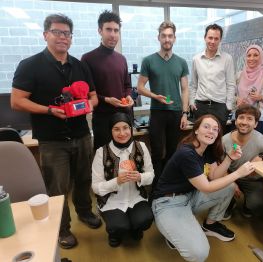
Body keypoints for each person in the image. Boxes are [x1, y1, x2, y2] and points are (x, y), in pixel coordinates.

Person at [11, 14, 101, 249]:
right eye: (57, 32)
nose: (62, 37)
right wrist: (49, 110)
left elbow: (93, 96)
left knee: (84, 179)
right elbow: (17, 101)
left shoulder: (80, 66)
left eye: (67, 33)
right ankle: (61, 229)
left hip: (82, 135)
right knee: (57, 187)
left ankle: (85, 212)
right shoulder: (30, 65)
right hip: (52, 140)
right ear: (46, 35)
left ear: (71, 38)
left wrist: (88, 105)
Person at [152, 114, 255, 262]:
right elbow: (207, 187)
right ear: (196, 130)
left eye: (215, 129)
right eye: (206, 126)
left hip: (190, 196)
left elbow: (213, 176)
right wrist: (238, 173)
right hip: (168, 203)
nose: (211, 131)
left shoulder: (206, 150)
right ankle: (174, 233)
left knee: (229, 187)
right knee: (199, 254)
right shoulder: (186, 153)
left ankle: (209, 225)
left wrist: (229, 158)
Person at [137, 21, 189, 187]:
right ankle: (157, 186)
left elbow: (185, 89)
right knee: (157, 152)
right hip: (157, 112)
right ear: (158, 37)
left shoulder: (181, 62)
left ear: (174, 38)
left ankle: (168, 183)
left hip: (175, 113)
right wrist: (155, 96)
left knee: (173, 152)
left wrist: (185, 113)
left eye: (170, 36)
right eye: (164, 36)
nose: (167, 39)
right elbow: (139, 88)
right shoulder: (149, 61)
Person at [91, 112, 154, 247]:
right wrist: (116, 181)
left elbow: (151, 175)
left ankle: (136, 228)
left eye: (125, 128)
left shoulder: (141, 147)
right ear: (110, 131)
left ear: (131, 128)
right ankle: (115, 234)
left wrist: (140, 177)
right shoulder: (101, 152)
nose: (122, 133)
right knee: (118, 226)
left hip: (136, 197)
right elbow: (95, 187)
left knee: (145, 219)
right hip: (112, 201)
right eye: (116, 129)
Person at [81, 10, 133, 150]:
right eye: (108, 29)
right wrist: (106, 99)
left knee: (126, 159)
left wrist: (128, 95)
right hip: (103, 120)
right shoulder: (88, 59)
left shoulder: (121, 59)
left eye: (116, 30)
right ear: (100, 30)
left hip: (124, 118)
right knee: (104, 160)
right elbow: (86, 94)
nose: (113, 34)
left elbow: (127, 85)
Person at [190, 23, 235, 132]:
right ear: (205, 38)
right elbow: (193, 84)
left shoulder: (227, 59)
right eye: (210, 38)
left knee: (218, 141)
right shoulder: (196, 59)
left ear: (220, 40)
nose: (213, 41)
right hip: (200, 106)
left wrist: (228, 106)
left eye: (216, 38)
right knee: (200, 140)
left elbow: (231, 84)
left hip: (219, 107)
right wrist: (191, 102)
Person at [233, 44, 263, 135]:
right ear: (245, 57)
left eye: (255, 55)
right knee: (236, 144)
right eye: (249, 55)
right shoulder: (238, 75)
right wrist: (237, 100)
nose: (252, 58)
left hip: (259, 119)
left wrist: (261, 97)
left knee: (256, 146)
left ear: (261, 57)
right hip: (240, 116)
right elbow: (231, 94)